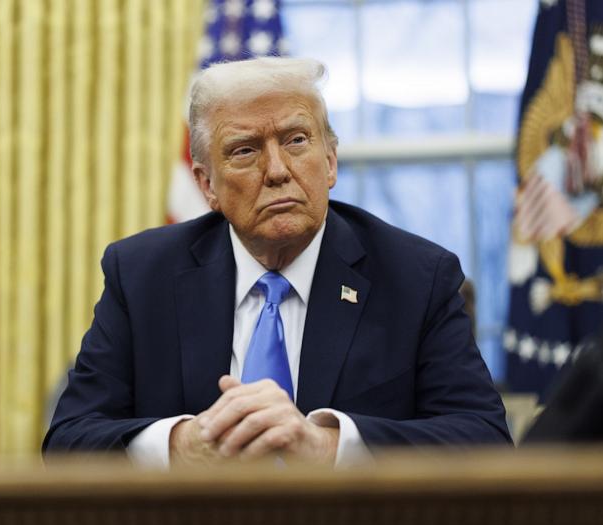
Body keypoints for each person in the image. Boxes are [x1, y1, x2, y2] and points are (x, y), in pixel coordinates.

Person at [43, 57, 511, 468]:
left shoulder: (417, 277)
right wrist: (181, 445)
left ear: (329, 162)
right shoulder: (143, 275)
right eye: (245, 150)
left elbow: (485, 440)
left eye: (296, 140)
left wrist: (327, 446)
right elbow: (67, 442)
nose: (278, 170)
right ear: (207, 186)